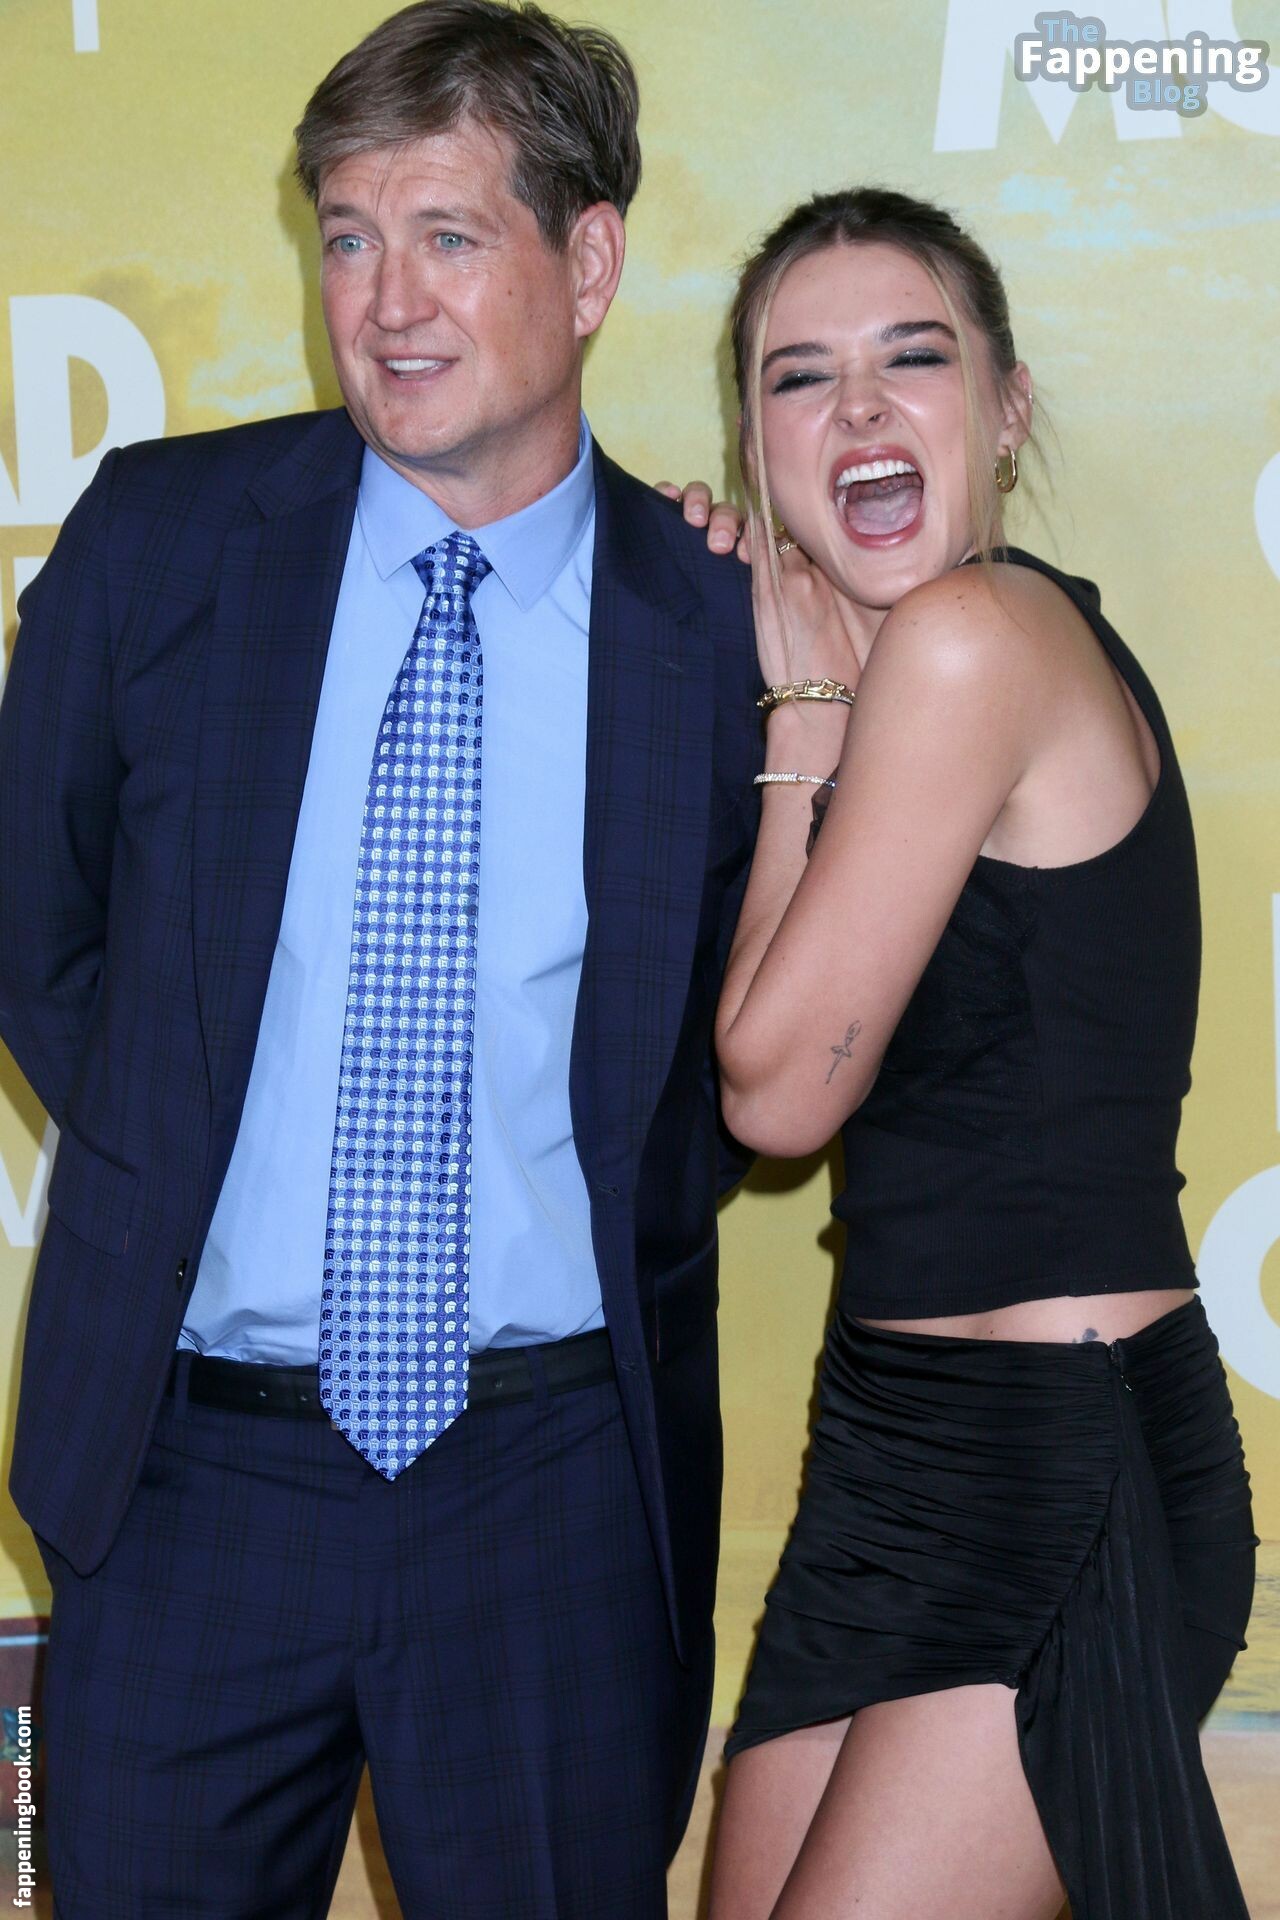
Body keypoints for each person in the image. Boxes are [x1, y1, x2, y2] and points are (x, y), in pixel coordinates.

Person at [0, 5, 761, 1914]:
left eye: (448, 235)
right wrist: (186, 1143)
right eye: (349, 236)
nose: (388, 302)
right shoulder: (162, 543)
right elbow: (37, 928)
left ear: (590, 262)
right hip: (188, 1484)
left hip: (551, 1500)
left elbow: (731, 1056)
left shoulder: (717, 627)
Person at [667, 186, 1256, 1920]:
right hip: (888, 1447)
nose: (856, 404)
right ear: (759, 447)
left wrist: (801, 713)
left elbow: (778, 1092)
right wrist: (815, 687)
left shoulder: (974, 639)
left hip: (1060, 1461)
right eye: (799, 376)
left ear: (1005, 409)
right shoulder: (930, 656)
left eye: (911, 358)